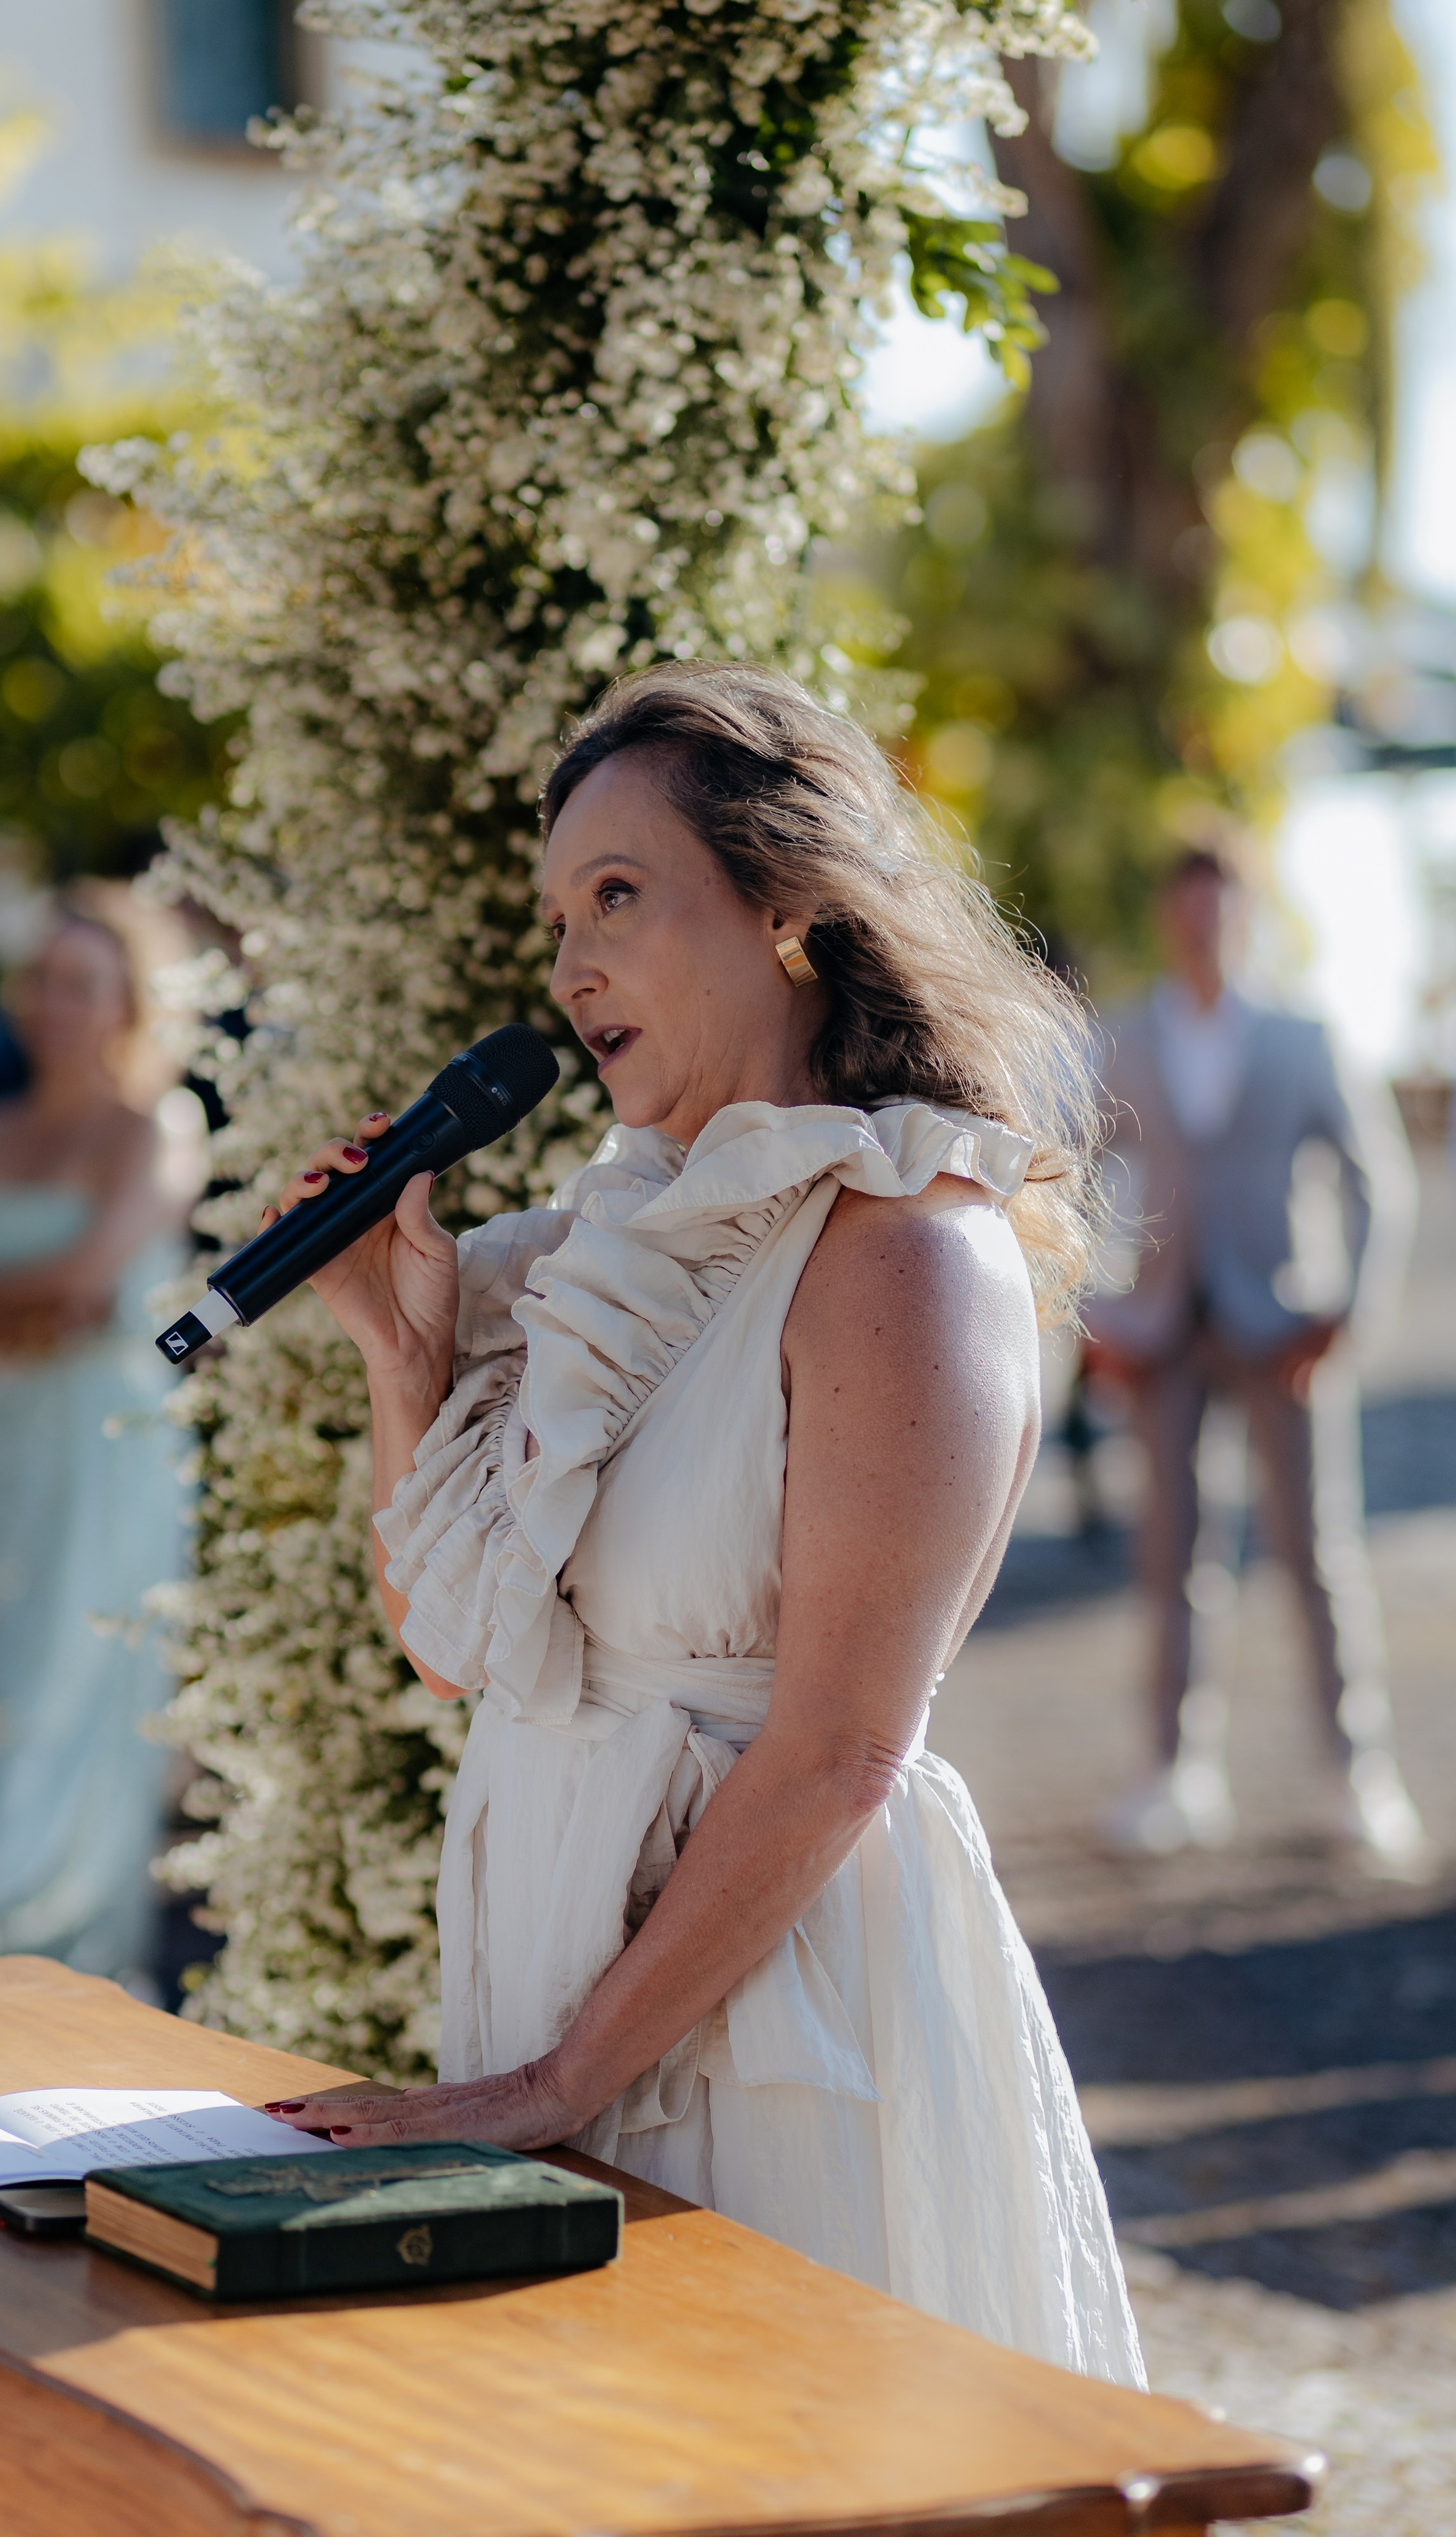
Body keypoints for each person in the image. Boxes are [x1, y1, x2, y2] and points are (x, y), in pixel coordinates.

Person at [263, 665, 1146, 2387]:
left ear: (790, 911)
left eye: (618, 896)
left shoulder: (905, 1247)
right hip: (544, 1980)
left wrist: (551, 2085)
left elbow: (834, 1748)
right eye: (554, 914)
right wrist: (400, 1347)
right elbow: (459, 1646)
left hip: (772, 2020)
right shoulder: (593, 1250)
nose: (569, 963)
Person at [1083, 848, 1425, 1869]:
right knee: (1172, 1560)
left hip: (1286, 1335)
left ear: (1248, 920)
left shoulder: (1303, 1037)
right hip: (1166, 1335)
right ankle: (1174, 1775)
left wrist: (1346, 1316)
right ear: (1166, 917)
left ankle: (1356, 1775)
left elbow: (1379, 1182)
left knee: (1319, 1555)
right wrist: (1098, 1317)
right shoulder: (1126, 1038)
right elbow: (1070, 1172)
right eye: (1187, 911)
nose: (1203, 929)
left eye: (1220, 913)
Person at [0, 915, 193, 1984]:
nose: (56, 1003)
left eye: (82, 983)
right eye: (43, 980)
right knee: (6, 1678)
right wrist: (18, 1314)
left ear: (124, 1001)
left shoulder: (152, 1128)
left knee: (83, 1677)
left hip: (105, 1440)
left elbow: (89, 1285)